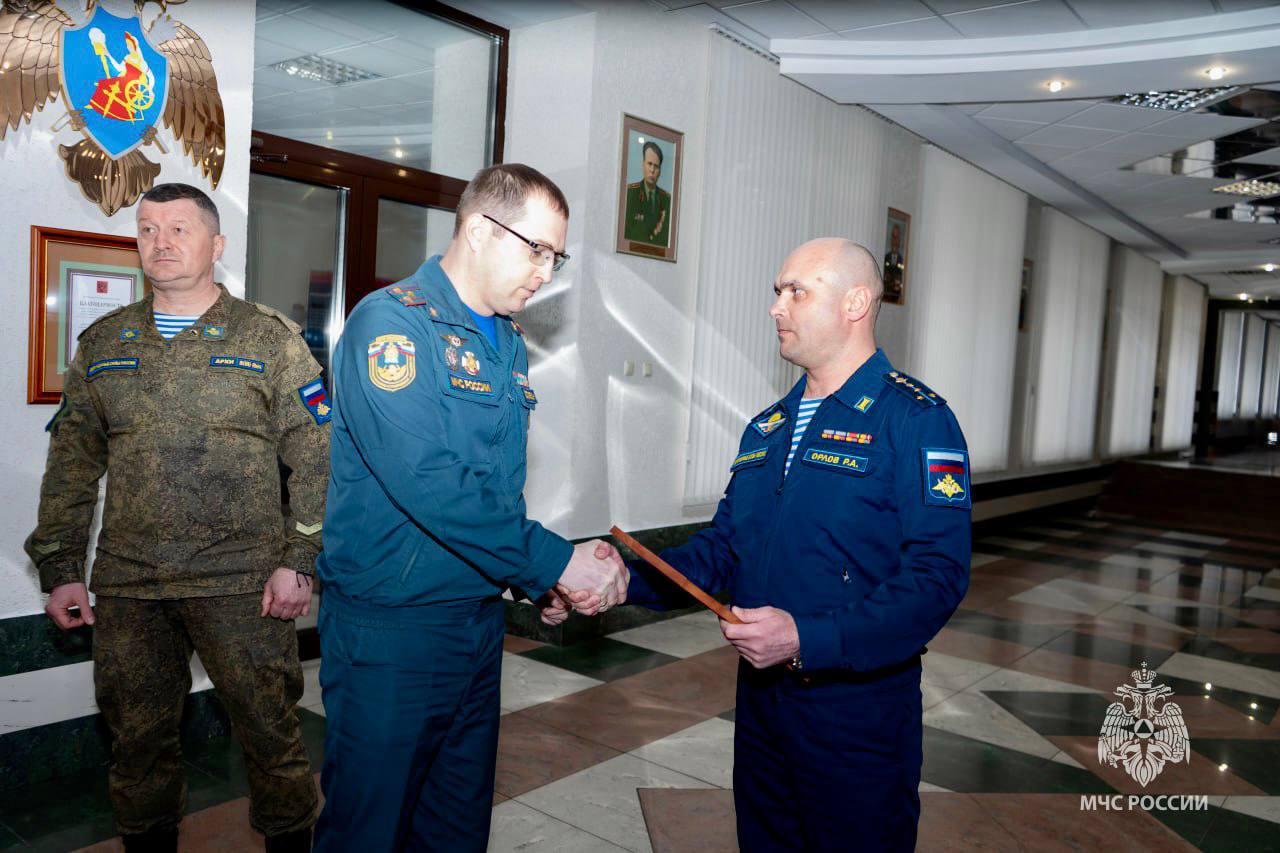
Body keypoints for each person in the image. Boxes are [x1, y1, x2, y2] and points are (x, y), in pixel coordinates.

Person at [583, 238, 971, 851]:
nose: (776, 307)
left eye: (797, 291)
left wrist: (806, 637)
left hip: (857, 710)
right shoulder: (768, 427)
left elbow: (936, 576)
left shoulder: (914, 419)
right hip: (763, 704)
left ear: (855, 303)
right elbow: (723, 549)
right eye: (776, 291)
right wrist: (630, 578)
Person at [314, 163, 627, 852]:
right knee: (369, 829)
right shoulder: (392, 325)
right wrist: (554, 560)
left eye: (556, 257)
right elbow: (428, 481)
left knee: (454, 827)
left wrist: (534, 580)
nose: (546, 273)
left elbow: (491, 489)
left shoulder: (505, 341)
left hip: (475, 624)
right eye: (536, 249)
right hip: (393, 629)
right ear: (481, 229)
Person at [25, 183, 327, 853]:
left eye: (179, 229)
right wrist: (61, 566)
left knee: (271, 737)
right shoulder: (104, 342)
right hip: (131, 585)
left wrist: (299, 559)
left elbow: (316, 455)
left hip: (242, 583)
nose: (160, 242)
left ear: (216, 245)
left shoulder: (268, 338)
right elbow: (71, 463)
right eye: (148, 229)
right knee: (137, 745)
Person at [623, 140, 671, 246]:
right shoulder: (629, 193)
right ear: (643, 165)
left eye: (656, 166)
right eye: (649, 164)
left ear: (660, 171)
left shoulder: (667, 200)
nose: (652, 170)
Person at [883, 223, 905, 302]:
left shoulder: (902, 260)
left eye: (897, 237)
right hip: (885, 296)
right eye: (893, 237)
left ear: (900, 240)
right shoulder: (885, 258)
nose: (895, 240)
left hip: (897, 297)